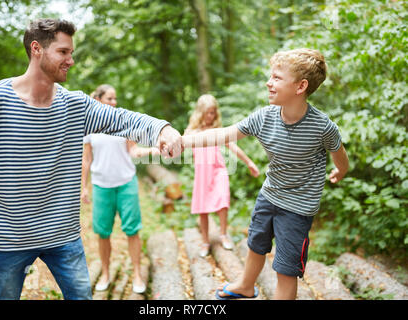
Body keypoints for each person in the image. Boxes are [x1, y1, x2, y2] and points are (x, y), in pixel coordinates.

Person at [0, 18, 182, 300]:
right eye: (63, 52)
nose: (71, 60)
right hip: (8, 238)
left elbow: (123, 119)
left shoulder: (75, 104)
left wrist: (161, 127)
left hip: (62, 235)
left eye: (71, 53)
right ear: (37, 49)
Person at [183, 48, 349, 299]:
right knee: (256, 243)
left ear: (300, 86)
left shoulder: (321, 126)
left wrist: (341, 170)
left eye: (276, 78)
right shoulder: (265, 117)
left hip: (298, 208)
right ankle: (245, 285)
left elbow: (340, 154)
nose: (268, 83)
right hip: (269, 195)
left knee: (285, 268)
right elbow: (223, 134)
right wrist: (184, 140)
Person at [81, 84, 159, 293]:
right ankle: (105, 273)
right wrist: (84, 187)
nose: (114, 103)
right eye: (109, 99)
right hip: (101, 186)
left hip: (126, 184)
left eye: (115, 99)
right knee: (103, 232)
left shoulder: (124, 123)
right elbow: (86, 159)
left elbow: (133, 151)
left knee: (132, 230)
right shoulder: (89, 127)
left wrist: (154, 149)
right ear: (98, 100)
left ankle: (136, 274)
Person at [185, 94, 259, 257]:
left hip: (218, 170)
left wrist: (249, 162)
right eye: (208, 112)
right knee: (202, 209)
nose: (211, 116)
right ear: (200, 112)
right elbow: (180, 145)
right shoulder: (192, 132)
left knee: (223, 201)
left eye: (213, 112)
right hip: (202, 174)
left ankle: (223, 234)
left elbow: (232, 146)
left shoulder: (218, 131)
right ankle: (205, 242)